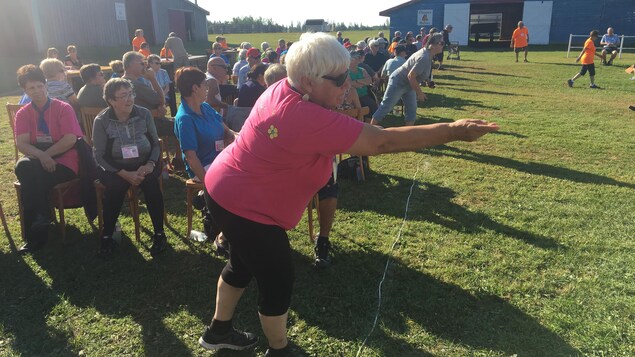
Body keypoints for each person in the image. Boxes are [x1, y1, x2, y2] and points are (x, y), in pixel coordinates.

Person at [196, 32, 499, 355]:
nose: (347, 85)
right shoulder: (305, 116)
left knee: (241, 265)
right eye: (339, 79)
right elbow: (382, 142)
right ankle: (280, 349)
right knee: (277, 279)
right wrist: (453, 131)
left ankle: (219, 331)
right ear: (308, 81)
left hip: (223, 187)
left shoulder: (283, 89)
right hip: (245, 204)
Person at [13, 65, 84, 254]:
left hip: (64, 160)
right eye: (31, 88)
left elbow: (70, 139)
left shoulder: (63, 108)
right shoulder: (24, 113)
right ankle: (42, 217)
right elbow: (22, 143)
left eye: (39, 86)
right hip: (39, 159)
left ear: (45, 84)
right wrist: (43, 156)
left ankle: (34, 235)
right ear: (25, 91)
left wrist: (48, 155)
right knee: (23, 166)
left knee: (30, 182)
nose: (36, 91)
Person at [92, 78, 167, 257]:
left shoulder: (144, 114)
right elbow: (99, 155)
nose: (129, 99)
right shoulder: (102, 120)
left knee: (151, 185)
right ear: (111, 101)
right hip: (115, 166)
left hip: (145, 162)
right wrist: (123, 173)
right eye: (123, 96)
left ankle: (159, 234)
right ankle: (107, 236)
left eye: (130, 94)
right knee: (115, 189)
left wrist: (149, 164)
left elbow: (156, 144)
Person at [173, 67, 237, 256]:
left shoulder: (206, 107)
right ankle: (225, 237)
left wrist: (241, 139)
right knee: (239, 186)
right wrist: (208, 182)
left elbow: (227, 131)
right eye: (204, 86)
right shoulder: (185, 118)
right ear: (195, 88)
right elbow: (191, 157)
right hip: (204, 166)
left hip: (222, 159)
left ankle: (237, 232)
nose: (207, 89)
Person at [371, 32, 445, 126]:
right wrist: (420, 93)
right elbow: (411, 76)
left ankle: (408, 133)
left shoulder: (428, 54)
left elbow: (419, 73)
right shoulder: (424, 57)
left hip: (409, 84)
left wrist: (428, 81)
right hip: (398, 82)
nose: (443, 45)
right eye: (441, 43)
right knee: (386, 106)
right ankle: (369, 128)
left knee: (411, 109)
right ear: (432, 45)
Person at [349, 50, 377, 115]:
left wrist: (357, 81)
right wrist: (363, 82)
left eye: (358, 58)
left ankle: (369, 122)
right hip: (352, 96)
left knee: (372, 105)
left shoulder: (362, 70)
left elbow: (370, 80)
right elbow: (350, 83)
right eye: (355, 58)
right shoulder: (346, 71)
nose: (357, 60)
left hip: (364, 95)